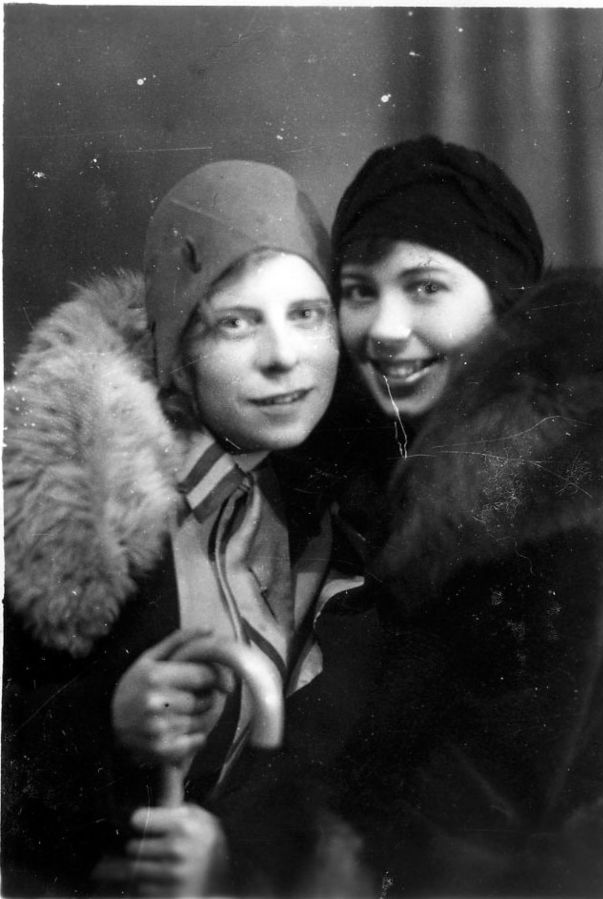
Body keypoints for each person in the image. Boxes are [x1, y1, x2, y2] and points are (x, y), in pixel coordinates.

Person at [2, 160, 372, 897]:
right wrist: (109, 719)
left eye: (307, 314)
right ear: (178, 345)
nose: (283, 357)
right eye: (236, 322)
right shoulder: (89, 507)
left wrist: (236, 859)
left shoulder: (338, 502)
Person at [319, 135, 603, 898]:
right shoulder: (376, 465)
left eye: (424, 287)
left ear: (502, 303)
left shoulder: (560, 516)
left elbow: (476, 834)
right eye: (358, 290)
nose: (384, 328)